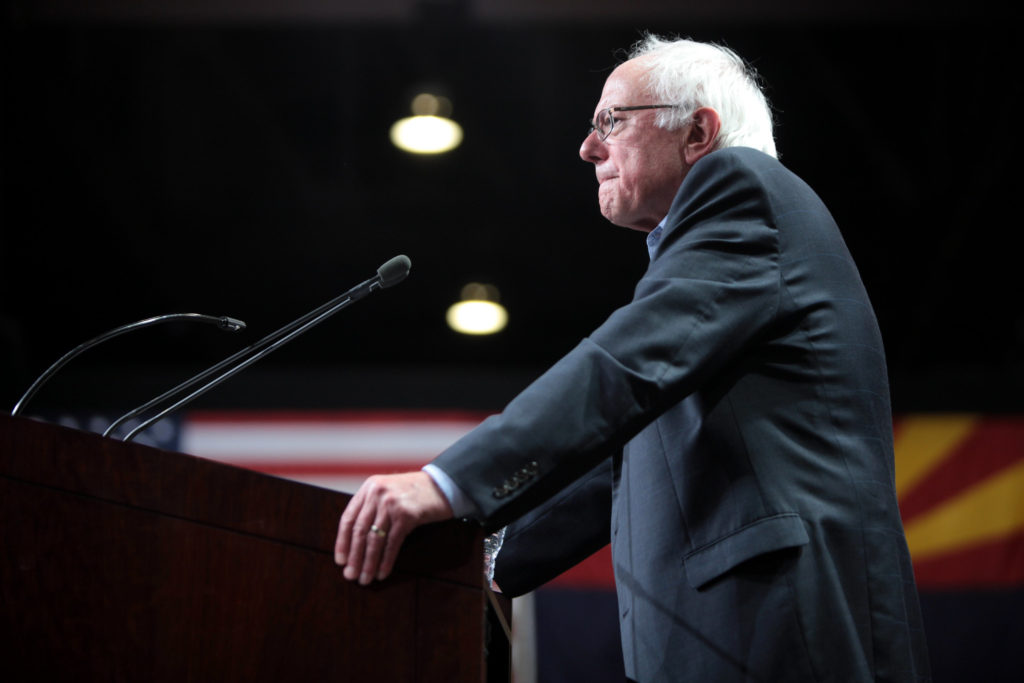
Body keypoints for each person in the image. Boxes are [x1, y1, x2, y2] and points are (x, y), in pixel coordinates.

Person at [335, 34, 931, 682]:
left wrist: (447, 482)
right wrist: (483, 558)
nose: (589, 148)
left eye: (611, 121)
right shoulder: (719, 273)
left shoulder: (746, 190)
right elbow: (623, 456)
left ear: (698, 131)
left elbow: (620, 368)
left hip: (787, 630)